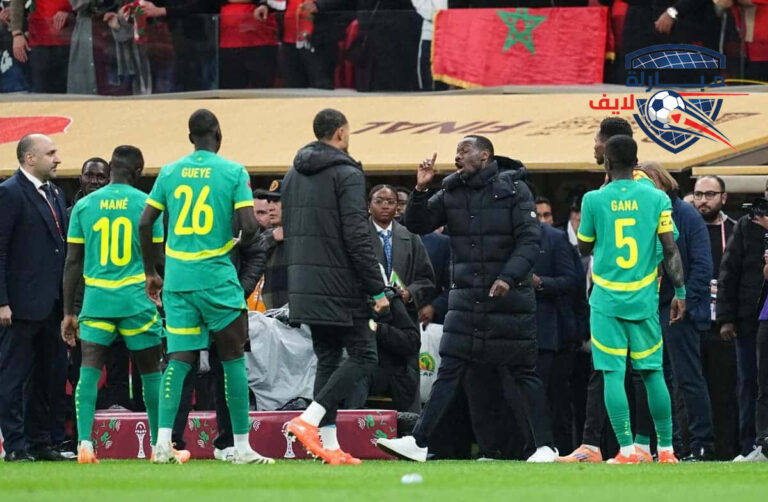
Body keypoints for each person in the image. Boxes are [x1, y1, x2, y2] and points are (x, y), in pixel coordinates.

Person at [376, 135, 557, 463]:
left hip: (509, 302)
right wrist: (420, 190)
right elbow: (417, 224)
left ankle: (545, 446)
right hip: (465, 300)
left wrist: (508, 277)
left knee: (522, 373)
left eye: (464, 151)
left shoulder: (515, 189)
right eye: (457, 151)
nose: (457, 156)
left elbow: (530, 241)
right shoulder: (452, 189)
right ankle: (418, 442)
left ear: (484, 155)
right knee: (449, 370)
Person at [139, 109, 272, 465]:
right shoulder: (233, 171)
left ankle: (162, 444)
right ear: (219, 134)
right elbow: (249, 226)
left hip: (178, 280)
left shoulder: (169, 171)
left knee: (179, 360)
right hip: (216, 277)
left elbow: (145, 223)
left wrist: (152, 271)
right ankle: (241, 447)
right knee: (232, 359)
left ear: (190, 138)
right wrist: (237, 243)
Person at [281, 108, 389, 465]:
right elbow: (357, 236)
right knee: (364, 355)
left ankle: (329, 445)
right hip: (341, 284)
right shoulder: (347, 173)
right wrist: (377, 289)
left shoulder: (292, 174)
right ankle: (309, 420)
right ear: (341, 133)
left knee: (328, 358)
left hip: (304, 284)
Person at [60, 145, 175, 465]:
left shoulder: (84, 205)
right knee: (151, 373)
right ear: (138, 172)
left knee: (88, 371)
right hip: (137, 300)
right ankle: (159, 446)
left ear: (110, 169)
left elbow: (72, 262)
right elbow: (159, 258)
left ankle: (84, 444)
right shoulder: (147, 204)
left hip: (97, 301)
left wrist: (68, 312)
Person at [576, 135, 685, 464]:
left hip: (607, 300)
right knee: (652, 373)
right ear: (636, 162)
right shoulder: (657, 197)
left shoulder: (594, 199)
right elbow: (670, 248)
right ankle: (666, 450)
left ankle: (626, 451)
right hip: (644, 299)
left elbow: (583, 247)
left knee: (612, 374)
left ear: (607, 162)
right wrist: (680, 292)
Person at [636, 161, 715, 461]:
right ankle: (671, 446)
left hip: (678, 308)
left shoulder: (685, 215)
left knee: (687, 379)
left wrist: (686, 300)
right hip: (653, 307)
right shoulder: (649, 213)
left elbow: (702, 265)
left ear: (659, 182)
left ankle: (701, 445)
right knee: (659, 380)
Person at [0, 134, 69, 462]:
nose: (58, 158)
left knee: (47, 376)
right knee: (13, 377)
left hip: (52, 304)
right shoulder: (9, 193)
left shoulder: (55, 193)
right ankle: (14, 444)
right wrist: (1, 301)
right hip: (19, 306)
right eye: (51, 153)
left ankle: (40, 442)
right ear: (30, 158)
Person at [718, 178, 768, 461]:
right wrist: (726, 318)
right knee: (749, 382)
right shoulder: (746, 226)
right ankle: (750, 445)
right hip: (750, 317)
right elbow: (729, 272)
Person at [692, 175, 739, 460]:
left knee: (725, 391)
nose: (703, 201)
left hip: (723, 323)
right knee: (690, 389)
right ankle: (694, 448)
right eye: (698, 194)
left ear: (723, 197)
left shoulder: (735, 230)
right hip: (691, 321)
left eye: (710, 194)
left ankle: (727, 451)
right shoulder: (684, 230)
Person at [532, 199, 580, 454]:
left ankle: (561, 450)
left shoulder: (555, 238)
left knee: (557, 401)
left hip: (555, 336)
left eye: (547, 214)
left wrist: (540, 283)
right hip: (519, 333)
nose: (543, 219)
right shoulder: (511, 237)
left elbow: (571, 281)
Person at [367, 184, 435, 320]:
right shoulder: (358, 236)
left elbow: (426, 279)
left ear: (397, 206)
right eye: (378, 201)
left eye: (390, 202)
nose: (385, 206)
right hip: (368, 314)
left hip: (403, 315)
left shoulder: (411, 236)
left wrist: (409, 293)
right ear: (369, 206)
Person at [257, 179, 288, 309]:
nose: (270, 207)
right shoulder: (268, 236)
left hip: (297, 312)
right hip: (271, 312)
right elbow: (250, 253)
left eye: (276, 201)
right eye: (269, 201)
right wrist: (273, 238)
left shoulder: (305, 236)